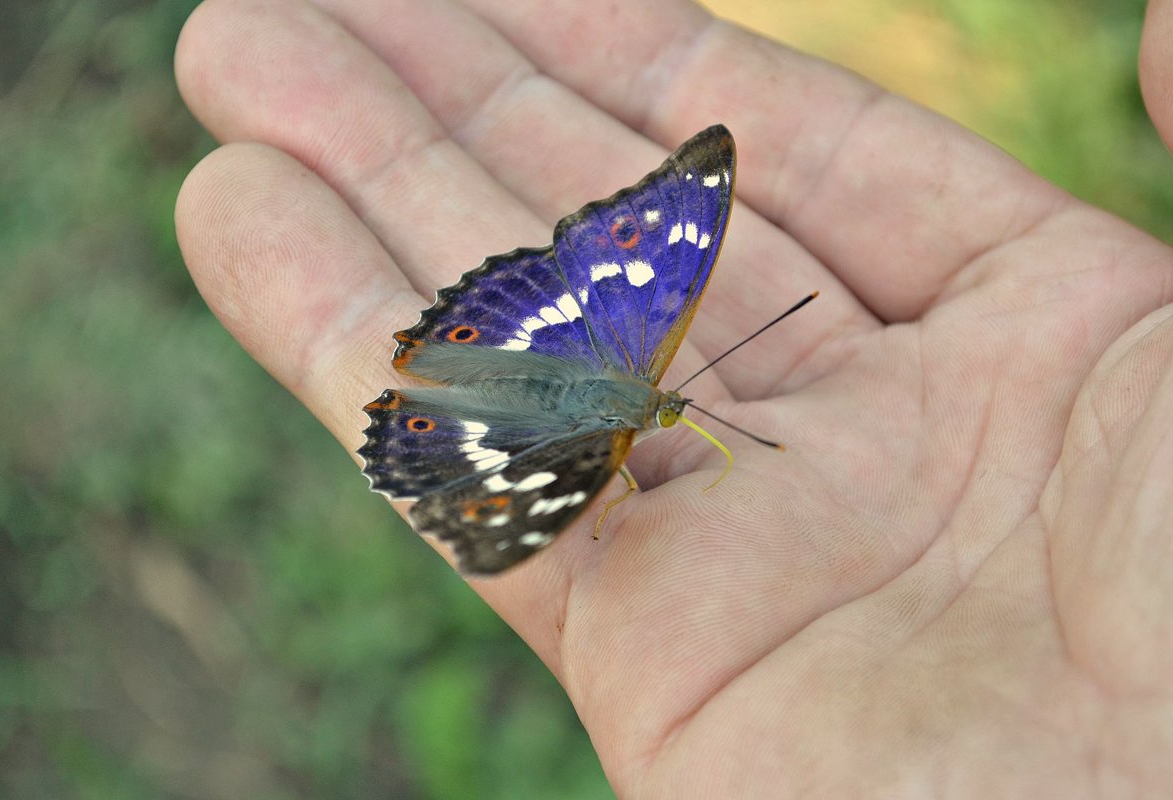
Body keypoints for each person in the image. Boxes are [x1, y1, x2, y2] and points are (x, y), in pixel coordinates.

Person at [174, 0, 1173, 794]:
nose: (671, 413)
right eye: (667, 411)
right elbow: (540, 502)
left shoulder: (640, 371)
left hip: (532, 325)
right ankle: (439, 398)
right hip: (528, 385)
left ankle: (447, 369)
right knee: (575, 464)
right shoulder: (612, 434)